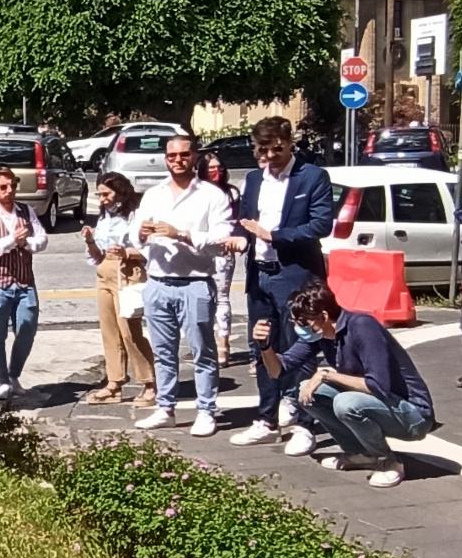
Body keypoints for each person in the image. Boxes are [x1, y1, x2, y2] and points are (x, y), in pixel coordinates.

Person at [252, 279, 433, 488]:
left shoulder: (362, 326)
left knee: (345, 403)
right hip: (382, 404)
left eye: (302, 323)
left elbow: (378, 386)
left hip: (413, 413)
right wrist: (265, 347)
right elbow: (277, 371)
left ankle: (388, 462)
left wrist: (327, 375)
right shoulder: (319, 333)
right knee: (307, 393)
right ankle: (361, 453)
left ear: (325, 316)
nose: (298, 328)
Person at [226, 116, 333, 456]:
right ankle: (267, 419)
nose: (271, 157)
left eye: (277, 149)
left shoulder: (313, 176)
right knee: (263, 345)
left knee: (300, 346)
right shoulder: (255, 179)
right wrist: (240, 239)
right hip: (261, 273)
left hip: (296, 273)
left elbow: (321, 224)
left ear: (290, 142)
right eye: (263, 150)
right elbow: (245, 221)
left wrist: (274, 235)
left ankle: (304, 422)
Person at [132, 135, 232, 437]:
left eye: (184, 155)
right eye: (172, 156)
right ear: (165, 158)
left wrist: (182, 234)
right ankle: (166, 408)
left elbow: (221, 240)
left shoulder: (213, 196)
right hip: (158, 281)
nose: (178, 160)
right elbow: (134, 236)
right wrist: (141, 233)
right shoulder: (153, 194)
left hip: (196, 283)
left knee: (202, 350)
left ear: (195, 157)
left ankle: (206, 410)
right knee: (163, 351)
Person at [0, 165, 47, 400]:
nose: (9, 190)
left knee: (27, 329)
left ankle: (14, 375)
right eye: (3, 186)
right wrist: (12, 240)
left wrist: (27, 244)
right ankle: (2, 380)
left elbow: (42, 239)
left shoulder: (26, 211)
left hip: (24, 282)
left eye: (12, 185)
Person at [81, 172, 154, 405]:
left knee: (129, 331)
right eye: (99, 194)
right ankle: (114, 383)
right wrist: (91, 241)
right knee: (109, 330)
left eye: (106, 194)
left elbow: (148, 249)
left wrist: (127, 252)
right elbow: (97, 254)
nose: (102, 199)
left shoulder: (134, 216)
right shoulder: (104, 217)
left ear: (120, 192)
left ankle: (149, 382)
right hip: (104, 272)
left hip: (127, 270)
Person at [199, 152, 241, 367]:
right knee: (204, 296)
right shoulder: (197, 191)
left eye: (219, 168)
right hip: (200, 249)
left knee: (222, 297)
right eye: (211, 168)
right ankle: (207, 344)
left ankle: (223, 345)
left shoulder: (230, 193)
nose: (216, 172)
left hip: (224, 249)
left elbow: (237, 221)